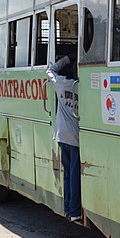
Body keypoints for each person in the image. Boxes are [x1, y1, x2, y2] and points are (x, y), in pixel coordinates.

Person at [47, 54, 81, 222]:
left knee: (67, 174)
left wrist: (67, 59)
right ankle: (75, 211)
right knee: (75, 175)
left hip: (61, 135)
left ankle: (68, 208)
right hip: (75, 138)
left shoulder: (61, 84)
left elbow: (50, 70)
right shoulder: (82, 88)